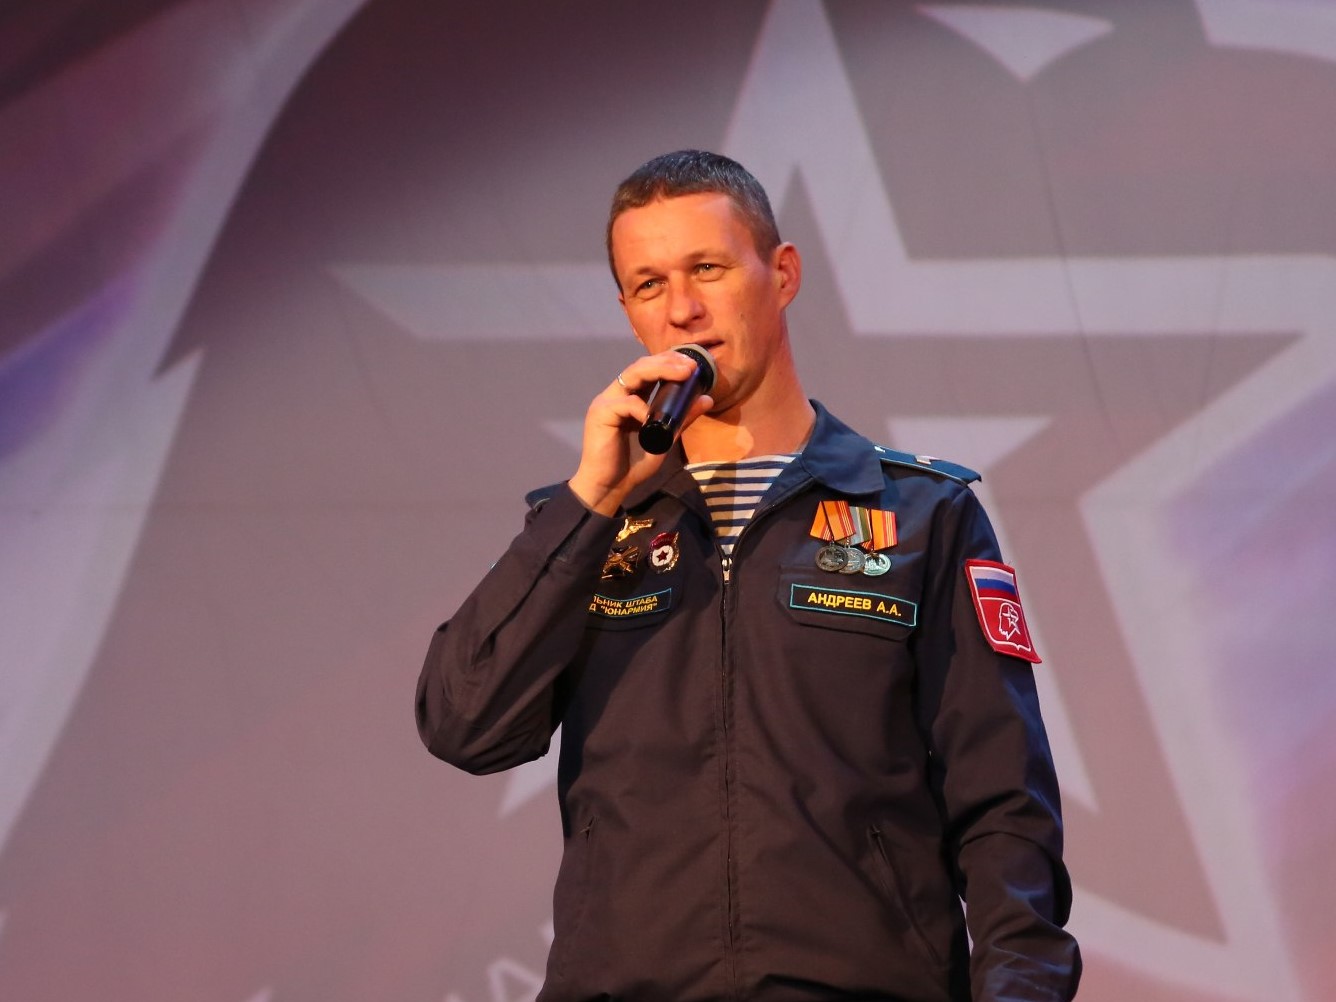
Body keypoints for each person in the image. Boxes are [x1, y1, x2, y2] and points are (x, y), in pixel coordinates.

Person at [416, 150, 1081, 1001]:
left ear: (783, 274)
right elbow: (464, 727)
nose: (682, 309)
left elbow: (1004, 808)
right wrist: (589, 502)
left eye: (708, 269)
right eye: (649, 284)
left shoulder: (923, 513)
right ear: (628, 312)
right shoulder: (582, 523)